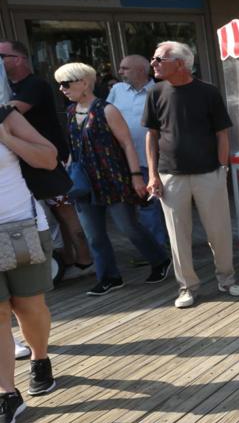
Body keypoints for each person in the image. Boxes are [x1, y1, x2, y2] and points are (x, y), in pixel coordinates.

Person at [145, 41, 239, 309]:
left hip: (209, 173)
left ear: (179, 63)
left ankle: (227, 280)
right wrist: (152, 175)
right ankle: (186, 287)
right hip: (170, 175)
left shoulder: (208, 92)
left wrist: (222, 168)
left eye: (158, 59)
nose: (153, 63)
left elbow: (222, 133)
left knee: (219, 231)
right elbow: (151, 136)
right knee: (178, 235)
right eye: (153, 59)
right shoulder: (155, 92)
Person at [56, 63, 172, 295]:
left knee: (128, 226)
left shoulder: (106, 110)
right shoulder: (70, 112)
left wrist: (136, 176)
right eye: (59, 84)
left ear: (84, 83)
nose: (62, 89)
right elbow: (74, 148)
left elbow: (127, 143)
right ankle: (109, 277)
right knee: (94, 235)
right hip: (84, 183)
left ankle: (159, 259)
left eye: (66, 84)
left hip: (112, 179)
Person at [0, 39, 93, 279]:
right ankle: (70, 258)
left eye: (2, 56)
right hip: (29, 160)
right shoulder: (10, 86)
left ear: (18, 59)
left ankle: (86, 259)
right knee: (56, 213)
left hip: (51, 160)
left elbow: (11, 110)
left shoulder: (34, 85)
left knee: (65, 211)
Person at [0, 104, 60, 423]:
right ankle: (7, 393)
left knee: (28, 306)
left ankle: (39, 358)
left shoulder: (4, 116)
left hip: (20, 228)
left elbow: (48, 158)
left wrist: (7, 138)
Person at [108, 54, 170, 252]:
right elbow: (104, 115)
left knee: (149, 206)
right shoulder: (117, 90)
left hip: (150, 159)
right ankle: (150, 249)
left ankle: (157, 249)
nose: (120, 72)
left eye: (125, 68)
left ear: (141, 70)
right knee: (129, 210)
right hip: (121, 160)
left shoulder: (159, 90)